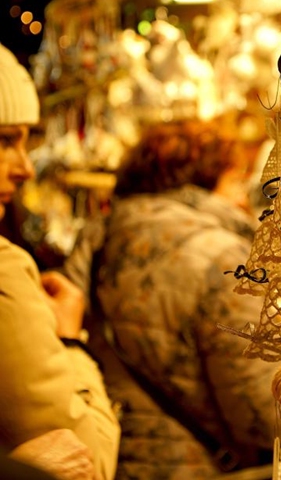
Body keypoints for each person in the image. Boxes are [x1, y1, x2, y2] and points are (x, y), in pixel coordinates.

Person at [64, 118, 279, 478]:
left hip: (108, 457)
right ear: (199, 185)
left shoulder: (97, 241)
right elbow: (263, 415)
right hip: (202, 467)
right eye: (234, 181)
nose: (242, 197)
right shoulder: (225, 258)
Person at [0, 42, 120, 478]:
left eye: (24, 141)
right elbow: (88, 459)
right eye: (3, 140)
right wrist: (70, 341)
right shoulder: (3, 270)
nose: (24, 167)